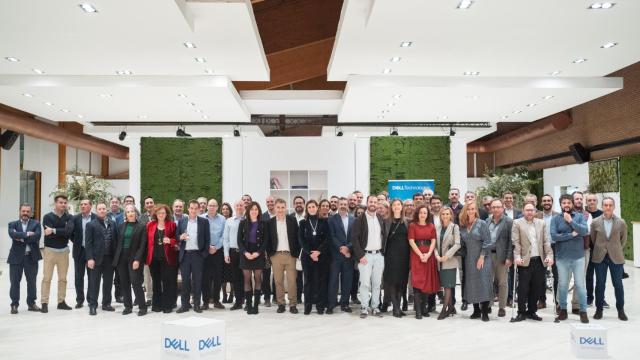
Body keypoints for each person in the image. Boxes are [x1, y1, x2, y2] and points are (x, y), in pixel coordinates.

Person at [511, 203, 554, 322]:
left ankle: (532, 311)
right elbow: (516, 242)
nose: (529, 212)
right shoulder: (517, 223)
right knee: (523, 288)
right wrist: (517, 256)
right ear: (523, 211)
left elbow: (546, 241)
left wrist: (549, 255)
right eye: (527, 210)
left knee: (537, 288)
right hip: (524, 260)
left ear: (535, 211)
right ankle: (521, 312)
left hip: (539, 260)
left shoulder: (541, 223)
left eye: (531, 210)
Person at [551, 194, 589, 323]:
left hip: (578, 257)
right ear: (560, 205)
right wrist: (572, 234)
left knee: (580, 285)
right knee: (562, 285)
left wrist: (571, 221)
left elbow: (584, 231)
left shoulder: (579, 217)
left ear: (572, 204)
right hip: (562, 258)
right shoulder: (555, 219)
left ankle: (583, 311)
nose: (566, 205)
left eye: (568, 202)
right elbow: (554, 236)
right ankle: (563, 310)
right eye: (564, 203)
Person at [590, 197, 628, 321]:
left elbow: (623, 240)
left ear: (614, 206)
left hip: (616, 258)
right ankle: (599, 310)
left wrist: (614, 249)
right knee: (600, 285)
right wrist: (602, 248)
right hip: (599, 257)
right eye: (605, 205)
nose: (608, 207)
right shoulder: (595, 222)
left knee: (618, 284)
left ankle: (620, 310)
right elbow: (593, 239)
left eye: (610, 205)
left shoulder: (621, 222)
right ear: (602, 206)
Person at [352, 195, 386, 319]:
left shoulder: (380, 218)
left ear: (377, 204)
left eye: (375, 202)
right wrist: (360, 255)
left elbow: (384, 236)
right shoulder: (360, 219)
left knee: (377, 283)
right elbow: (354, 238)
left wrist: (383, 253)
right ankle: (364, 307)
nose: (373, 204)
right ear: (367, 203)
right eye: (371, 201)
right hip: (365, 256)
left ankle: (375, 307)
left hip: (378, 256)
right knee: (365, 283)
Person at [459, 201, 493, 322]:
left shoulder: (481, 223)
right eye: (468, 209)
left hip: (482, 257)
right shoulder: (463, 225)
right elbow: (462, 243)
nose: (471, 211)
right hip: (469, 258)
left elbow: (487, 241)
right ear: (465, 211)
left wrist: (482, 257)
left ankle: (485, 312)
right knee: (472, 283)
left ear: (476, 210)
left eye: (473, 209)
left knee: (483, 282)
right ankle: (476, 310)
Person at [266, 198, 301, 314]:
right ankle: (281, 303)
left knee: (292, 281)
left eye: (282, 207)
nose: (280, 210)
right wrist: (270, 255)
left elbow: (297, 237)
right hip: (276, 255)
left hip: (290, 255)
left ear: (285, 208)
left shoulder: (292, 220)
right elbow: (268, 240)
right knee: (278, 281)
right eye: (278, 207)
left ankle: (293, 304)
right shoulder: (270, 222)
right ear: (274, 208)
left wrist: (296, 254)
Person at [176, 200, 211, 313]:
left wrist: (203, 254)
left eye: (196, 208)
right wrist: (180, 237)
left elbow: (207, 239)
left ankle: (196, 304)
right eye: (191, 208)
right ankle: (184, 305)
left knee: (197, 281)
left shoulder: (204, 222)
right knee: (185, 281)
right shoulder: (181, 221)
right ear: (188, 209)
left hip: (197, 255)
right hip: (185, 255)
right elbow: (176, 236)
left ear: (199, 209)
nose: (194, 210)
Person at [112, 204, 147, 316]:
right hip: (122, 258)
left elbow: (142, 245)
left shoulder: (141, 226)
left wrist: (137, 259)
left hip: (134, 258)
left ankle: (142, 307)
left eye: (132, 211)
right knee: (124, 283)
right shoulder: (121, 226)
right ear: (125, 214)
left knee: (136, 282)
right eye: (128, 212)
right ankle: (128, 306)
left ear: (136, 213)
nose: (130, 213)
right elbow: (118, 243)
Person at [40, 194, 73, 313]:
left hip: (63, 252)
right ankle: (44, 303)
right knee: (47, 278)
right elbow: (49, 234)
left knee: (63, 279)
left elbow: (68, 232)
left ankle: (61, 302)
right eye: (61, 202)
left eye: (65, 203)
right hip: (50, 251)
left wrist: (53, 230)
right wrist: (62, 231)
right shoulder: (47, 217)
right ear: (55, 203)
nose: (63, 205)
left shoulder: (69, 217)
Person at [8, 204, 42, 314]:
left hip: (31, 257)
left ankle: (31, 303)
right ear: (19, 211)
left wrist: (20, 237)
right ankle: (14, 304)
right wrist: (27, 234)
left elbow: (36, 236)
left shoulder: (36, 224)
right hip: (16, 257)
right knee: (14, 282)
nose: (25, 213)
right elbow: (12, 234)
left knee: (32, 282)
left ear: (31, 213)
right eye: (23, 211)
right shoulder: (12, 224)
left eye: (28, 211)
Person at [85, 202, 118, 315]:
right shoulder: (91, 225)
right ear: (96, 210)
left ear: (107, 210)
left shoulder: (113, 223)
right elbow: (88, 244)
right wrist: (89, 258)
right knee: (94, 283)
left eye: (104, 208)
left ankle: (106, 304)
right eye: (100, 209)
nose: (102, 210)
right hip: (96, 259)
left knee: (108, 282)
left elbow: (116, 241)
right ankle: (93, 305)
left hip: (110, 258)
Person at [408, 205, 440, 319]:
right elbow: (411, 242)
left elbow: (433, 242)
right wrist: (421, 255)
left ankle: (424, 308)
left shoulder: (431, 226)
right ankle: (418, 310)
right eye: (421, 212)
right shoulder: (412, 225)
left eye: (425, 213)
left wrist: (428, 254)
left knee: (427, 281)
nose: (423, 215)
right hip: (417, 256)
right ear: (418, 213)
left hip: (428, 256)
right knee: (417, 282)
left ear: (428, 214)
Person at [299, 200, 330, 315]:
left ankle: (320, 306)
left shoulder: (323, 222)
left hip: (321, 257)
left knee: (320, 282)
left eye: (313, 206)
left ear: (317, 208)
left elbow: (327, 239)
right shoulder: (302, 223)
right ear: (307, 209)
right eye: (309, 207)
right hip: (307, 257)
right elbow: (301, 240)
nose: (312, 208)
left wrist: (318, 252)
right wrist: (310, 253)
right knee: (308, 282)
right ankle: (307, 306)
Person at [146, 204, 178, 313]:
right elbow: (147, 242)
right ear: (156, 214)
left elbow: (177, 240)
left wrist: (171, 241)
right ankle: (157, 305)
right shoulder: (150, 225)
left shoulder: (172, 225)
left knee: (167, 282)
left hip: (167, 258)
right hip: (153, 259)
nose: (161, 215)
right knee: (156, 282)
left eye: (163, 213)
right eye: (159, 213)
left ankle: (167, 305)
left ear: (166, 214)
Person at [237, 201, 267, 315]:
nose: (254, 211)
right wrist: (245, 252)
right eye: (252, 209)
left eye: (256, 209)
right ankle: (249, 306)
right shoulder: (242, 223)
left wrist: (258, 253)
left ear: (258, 211)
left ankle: (256, 305)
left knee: (258, 279)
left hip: (258, 254)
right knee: (246, 279)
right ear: (248, 211)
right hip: (245, 253)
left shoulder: (264, 223)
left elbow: (265, 241)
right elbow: (239, 240)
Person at [383, 199, 410, 318]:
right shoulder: (386, 221)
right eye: (394, 205)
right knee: (392, 282)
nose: (396, 206)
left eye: (398, 204)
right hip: (391, 255)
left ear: (402, 207)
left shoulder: (407, 222)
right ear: (391, 207)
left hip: (404, 255)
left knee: (401, 282)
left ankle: (398, 306)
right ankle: (395, 308)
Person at [327, 197, 355, 314]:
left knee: (347, 281)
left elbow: (355, 237)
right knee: (333, 280)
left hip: (349, 255)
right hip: (336, 255)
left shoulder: (354, 220)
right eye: (341, 204)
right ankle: (331, 304)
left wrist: (348, 248)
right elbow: (331, 236)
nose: (343, 205)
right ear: (337, 205)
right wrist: (341, 248)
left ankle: (345, 303)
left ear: (348, 205)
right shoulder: (331, 219)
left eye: (345, 204)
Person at [486, 199, 513, 318]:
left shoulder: (508, 222)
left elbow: (512, 242)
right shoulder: (486, 221)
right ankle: (489, 304)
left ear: (503, 208)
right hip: (488, 255)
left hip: (502, 256)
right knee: (488, 281)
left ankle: (502, 307)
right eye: (493, 207)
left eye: (498, 207)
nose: (496, 209)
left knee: (502, 282)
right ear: (491, 208)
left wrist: (509, 257)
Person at [68, 199, 96, 309]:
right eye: (81, 204)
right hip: (79, 251)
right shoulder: (75, 218)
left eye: (85, 204)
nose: (83, 206)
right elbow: (70, 233)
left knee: (92, 277)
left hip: (92, 252)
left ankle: (90, 299)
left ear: (90, 206)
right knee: (79, 277)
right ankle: (79, 300)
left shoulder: (95, 218)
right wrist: (77, 242)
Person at [435, 207, 461, 320]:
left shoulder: (455, 227)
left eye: (447, 214)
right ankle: (450, 307)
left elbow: (457, 244)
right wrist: (436, 255)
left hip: (449, 261)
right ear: (440, 216)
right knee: (445, 284)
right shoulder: (437, 228)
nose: (445, 216)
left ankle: (444, 309)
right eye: (443, 214)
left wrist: (447, 255)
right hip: (439, 261)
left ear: (451, 215)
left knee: (448, 286)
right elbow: (434, 244)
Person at [570, 191, 593, 315]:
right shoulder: (567, 213)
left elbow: (586, 231)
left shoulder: (587, 215)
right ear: (572, 200)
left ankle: (576, 305)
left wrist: (574, 228)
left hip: (584, 250)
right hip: (567, 249)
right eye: (576, 198)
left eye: (580, 198)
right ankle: (560, 305)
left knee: (580, 278)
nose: (579, 200)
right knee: (564, 278)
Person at [201, 199, 226, 310]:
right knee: (205, 277)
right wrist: (208, 247)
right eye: (210, 205)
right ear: (207, 207)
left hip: (218, 251)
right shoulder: (201, 218)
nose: (211, 207)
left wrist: (216, 247)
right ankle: (205, 302)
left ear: (217, 207)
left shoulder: (222, 219)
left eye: (214, 205)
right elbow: (200, 235)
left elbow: (224, 236)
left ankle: (216, 300)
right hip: (205, 252)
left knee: (218, 277)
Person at [536, 194, 559, 309]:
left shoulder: (558, 216)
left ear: (552, 202)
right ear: (541, 203)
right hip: (541, 248)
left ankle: (558, 302)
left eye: (548, 200)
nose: (546, 202)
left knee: (557, 275)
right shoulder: (536, 216)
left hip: (555, 247)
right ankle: (542, 300)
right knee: (540, 276)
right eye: (544, 200)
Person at [223, 200, 246, 310]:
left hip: (245, 253)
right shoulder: (229, 221)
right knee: (236, 278)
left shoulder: (248, 220)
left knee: (246, 278)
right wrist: (226, 254)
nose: (239, 207)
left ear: (244, 207)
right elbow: (225, 239)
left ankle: (246, 300)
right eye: (237, 205)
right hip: (233, 252)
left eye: (241, 205)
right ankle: (238, 301)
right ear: (234, 207)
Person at [585, 193, 603, 307]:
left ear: (597, 202)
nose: (591, 202)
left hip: (600, 249)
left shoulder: (602, 214)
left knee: (601, 276)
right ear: (586, 202)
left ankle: (601, 298)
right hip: (587, 249)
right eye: (589, 200)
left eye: (594, 200)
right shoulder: (583, 214)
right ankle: (589, 298)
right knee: (588, 275)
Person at [291, 195, 306, 303]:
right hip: (295, 252)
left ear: (304, 204)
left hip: (307, 250)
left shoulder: (308, 216)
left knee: (309, 276)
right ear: (293, 205)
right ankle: (298, 298)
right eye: (297, 203)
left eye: (300, 203)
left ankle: (310, 297)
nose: (299, 205)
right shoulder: (290, 217)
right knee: (297, 277)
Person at [220, 202, 234, 303]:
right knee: (223, 276)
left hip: (231, 251)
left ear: (230, 210)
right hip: (220, 251)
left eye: (227, 209)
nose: (225, 210)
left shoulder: (232, 220)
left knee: (232, 274)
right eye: (223, 209)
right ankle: (224, 295)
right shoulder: (219, 221)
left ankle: (232, 295)